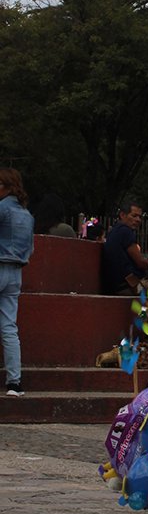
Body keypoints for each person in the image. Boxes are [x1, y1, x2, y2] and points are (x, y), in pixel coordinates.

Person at [0, 169, 35, 397]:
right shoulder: (27, 215)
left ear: (5, 186)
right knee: (9, 327)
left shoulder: (1, 209)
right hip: (16, 272)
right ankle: (14, 382)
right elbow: (31, 248)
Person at [101, 200, 148, 295]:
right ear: (122, 215)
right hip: (124, 286)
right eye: (134, 216)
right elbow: (140, 262)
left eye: (140, 217)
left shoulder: (114, 231)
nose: (138, 220)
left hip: (112, 285)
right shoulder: (126, 232)